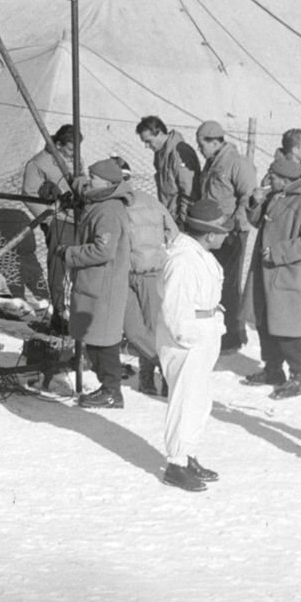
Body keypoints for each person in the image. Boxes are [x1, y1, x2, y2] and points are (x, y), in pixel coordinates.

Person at [156, 194, 230, 491]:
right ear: (209, 234)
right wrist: (190, 338)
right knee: (185, 400)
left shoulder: (201, 255)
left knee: (199, 400)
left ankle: (188, 453)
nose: (225, 236)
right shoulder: (183, 261)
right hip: (187, 339)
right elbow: (176, 308)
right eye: (221, 231)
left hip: (204, 330)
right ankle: (176, 463)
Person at [246, 152, 301, 398]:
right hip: (269, 274)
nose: (268, 179)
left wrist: (279, 253)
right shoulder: (277, 196)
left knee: (290, 330)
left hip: (290, 276)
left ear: (285, 179)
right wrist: (255, 202)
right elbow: (257, 222)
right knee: (265, 323)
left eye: (272, 176)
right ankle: (273, 370)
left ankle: (299, 378)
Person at [66, 157, 132, 408]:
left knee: (103, 341)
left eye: (92, 178)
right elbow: (83, 185)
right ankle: (108, 388)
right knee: (95, 338)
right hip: (96, 283)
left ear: (105, 183)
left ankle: (112, 391)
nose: (88, 181)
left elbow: (103, 251)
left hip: (104, 285)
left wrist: (69, 254)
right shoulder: (102, 199)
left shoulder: (108, 211)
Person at [193, 119, 259, 352]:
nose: (200, 149)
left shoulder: (236, 163)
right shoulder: (212, 163)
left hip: (231, 232)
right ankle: (223, 332)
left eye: (202, 144)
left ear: (214, 142)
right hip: (215, 231)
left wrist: (234, 226)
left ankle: (234, 335)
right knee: (216, 281)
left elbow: (248, 196)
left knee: (229, 283)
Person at [121, 161, 178, 396]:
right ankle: (161, 370)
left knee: (151, 329)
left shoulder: (142, 202)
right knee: (137, 330)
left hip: (146, 273)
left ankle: (158, 376)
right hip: (131, 274)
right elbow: (172, 232)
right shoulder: (121, 204)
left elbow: (173, 233)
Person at [20, 123, 79, 328]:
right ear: (59, 144)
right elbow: (28, 193)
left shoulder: (75, 160)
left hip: (79, 219)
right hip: (59, 221)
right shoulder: (38, 163)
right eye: (70, 149)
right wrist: (49, 220)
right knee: (58, 267)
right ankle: (59, 312)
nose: (74, 153)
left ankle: (79, 311)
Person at [135, 114, 200, 226]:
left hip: (182, 220)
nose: (146, 146)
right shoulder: (160, 154)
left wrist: (183, 222)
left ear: (160, 134)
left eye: (148, 141)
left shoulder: (180, 153)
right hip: (170, 216)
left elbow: (189, 192)